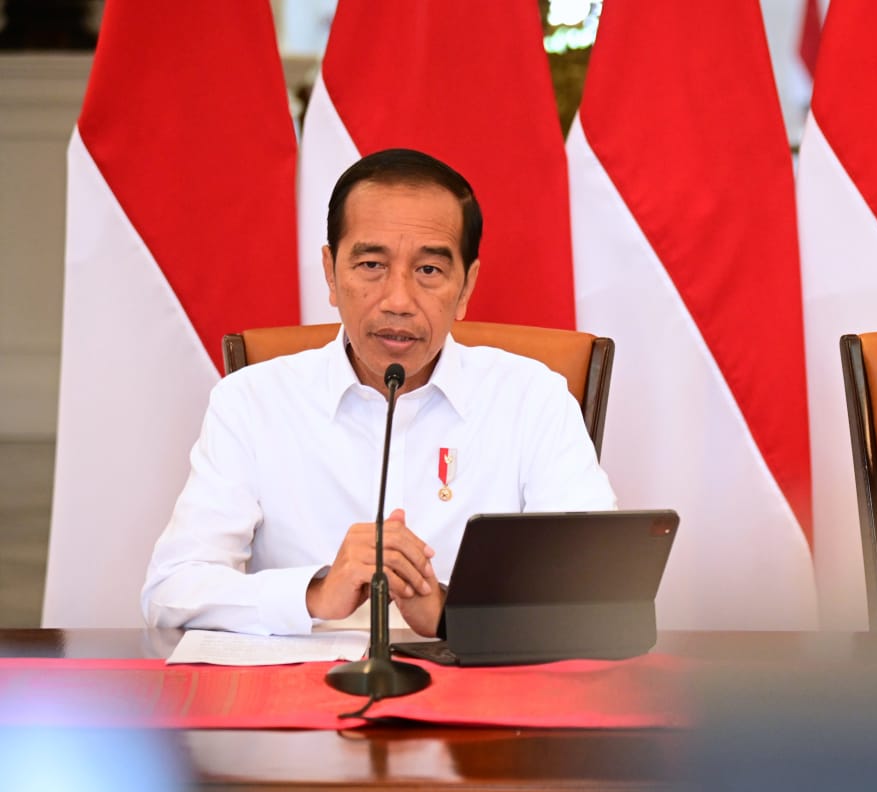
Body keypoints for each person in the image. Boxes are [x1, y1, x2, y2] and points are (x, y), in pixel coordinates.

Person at [142, 148, 616, 637]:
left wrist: (450, 613)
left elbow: (600, 590)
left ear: (466, 287)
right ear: (330, 272)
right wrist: (314, 594)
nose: (398, 301)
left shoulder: (533, 400)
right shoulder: (251, 401)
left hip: (470, 681)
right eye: (371, 264)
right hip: (307, 685)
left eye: (429, 271)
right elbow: (171, 590)